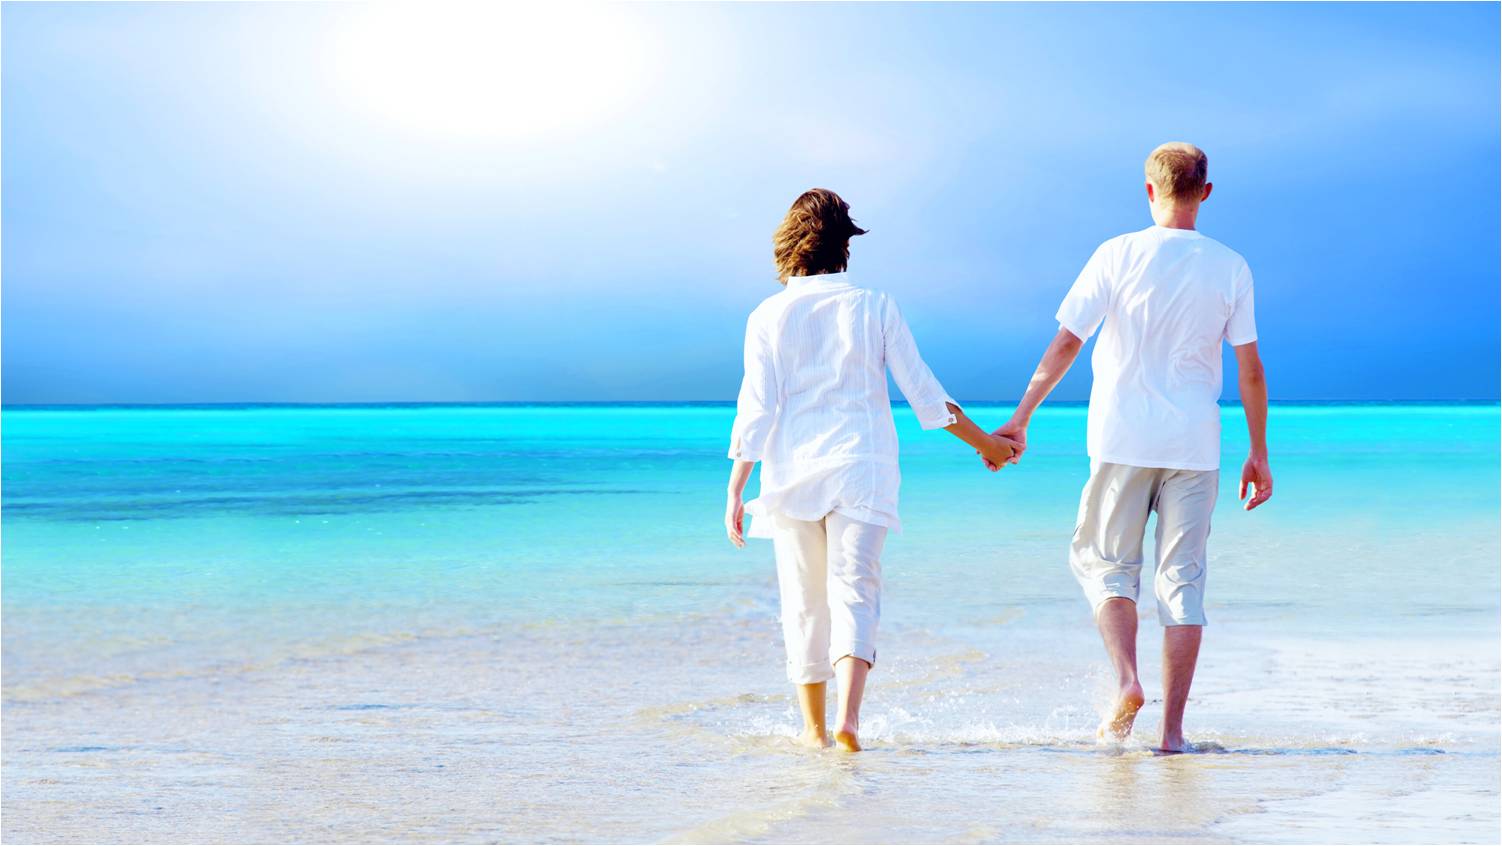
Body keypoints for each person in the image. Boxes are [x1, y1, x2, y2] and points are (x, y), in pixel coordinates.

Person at [989, 143, 1273, 753]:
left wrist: (1021, 418)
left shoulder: (1116, 254)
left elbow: (1067, 342)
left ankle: (1127, 682)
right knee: (1183, 582)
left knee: (1108, 566)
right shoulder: (1231, 266)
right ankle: (1172, 736)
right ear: (1206, 192)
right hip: (1196, 446)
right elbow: (1249, 368)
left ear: (1149, 191)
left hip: (1121, 438)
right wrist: (1259, 451)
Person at [725, 188, 1018, 752]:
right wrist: (989, 445)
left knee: (803, 602)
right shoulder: (874, 305)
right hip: (863, 469)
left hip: (792, 474)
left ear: (790, 245)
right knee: (855, 592)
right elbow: (927, 399)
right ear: (845, 246)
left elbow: (756, 406)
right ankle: (849, 722)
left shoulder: (766, 315)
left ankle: (813, 733)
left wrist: (736, 486)